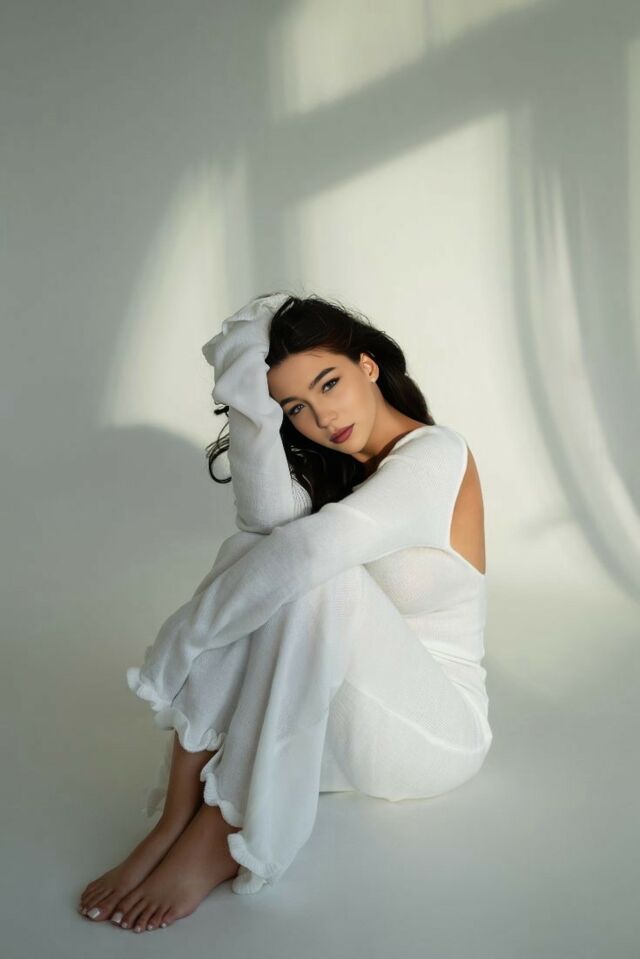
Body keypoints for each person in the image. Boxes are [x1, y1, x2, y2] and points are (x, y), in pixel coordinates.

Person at [78, 292, 492, 932]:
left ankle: (220, 831)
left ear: (368, 366)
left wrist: (181, 644)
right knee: (260, 548)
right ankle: (176, 817)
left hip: (435, 732)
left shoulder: (436, 454)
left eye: (329, 383)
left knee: (318, 573)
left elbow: (307, 556)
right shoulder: (347, 474)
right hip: (344, 723)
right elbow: (265, 521)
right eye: (295, 407)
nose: (322, 417)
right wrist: (244, 369)